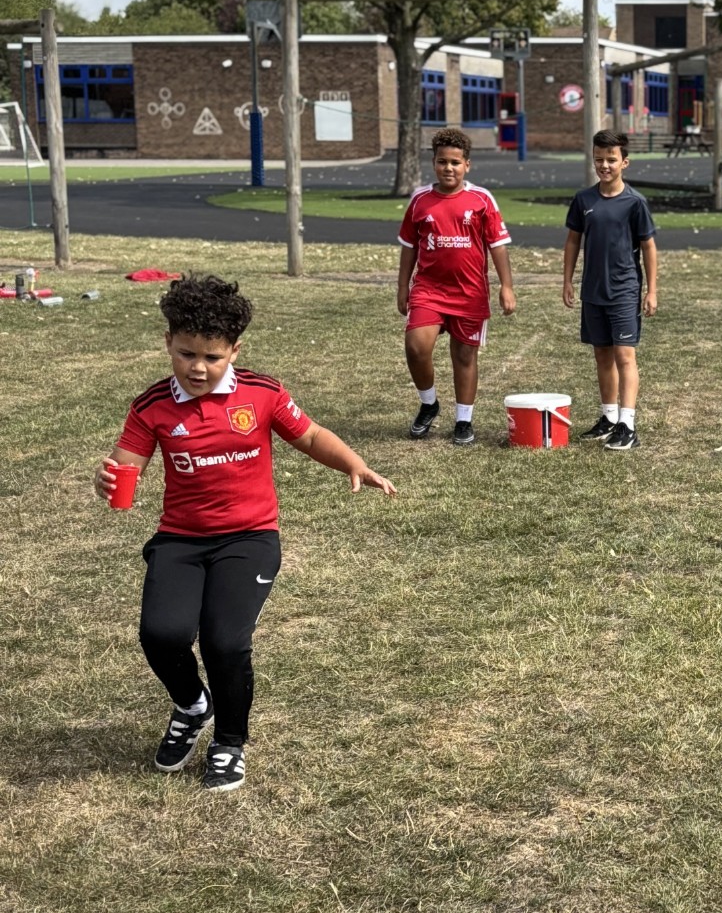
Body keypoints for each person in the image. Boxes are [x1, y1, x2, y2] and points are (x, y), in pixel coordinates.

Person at [95, 275, 395, 793]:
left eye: (212, 357)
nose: (198, 367)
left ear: (235, 350)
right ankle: (193, 705)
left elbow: (311, 434)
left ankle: (229, 742)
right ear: (168, 342)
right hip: (180, 539)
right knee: (161, 636)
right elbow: (127, 462)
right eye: (186, 353)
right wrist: (108, 479)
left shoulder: (261, 392)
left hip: (249, 537)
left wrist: (354, 462)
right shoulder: (151, 406)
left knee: (224, 641)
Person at [397, 128, 516, 445]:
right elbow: (409, 246)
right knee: (416, 347)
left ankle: (464, 420)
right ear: (433, 163)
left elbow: (498, 245)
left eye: (455, 162)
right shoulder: (421, 200)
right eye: (441, 162)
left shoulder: (481, 199)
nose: (448, 168)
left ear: (467, 165)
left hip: (469, 292)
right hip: (429, 290)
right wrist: (402, 287)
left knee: (465, 357)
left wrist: (507, 286)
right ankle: (429, 403)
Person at [562, 130, 659, 451]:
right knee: (602, 355)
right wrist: (567, 280)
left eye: (611, 159)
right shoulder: (584, 200)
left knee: (624, 356)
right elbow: (574, 240)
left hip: (624, 290)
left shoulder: (635, 202)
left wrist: (651, 290)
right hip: (593, 291)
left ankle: (628, 426)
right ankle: (609, 418)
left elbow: (648, 246)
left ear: (624, 162)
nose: (604, 165)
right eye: (599, 159)